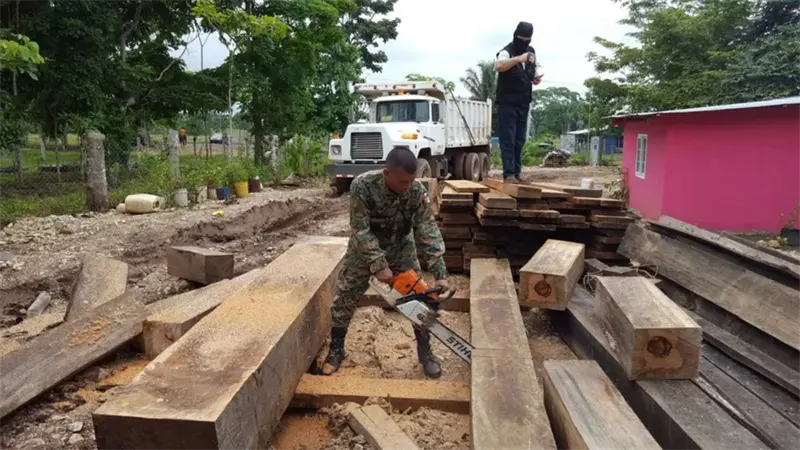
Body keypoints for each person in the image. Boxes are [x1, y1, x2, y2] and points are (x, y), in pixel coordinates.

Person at [320, 147, 451, 378]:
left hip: (402, 249)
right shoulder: (362, 186)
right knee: (345, 299)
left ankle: (425, 352)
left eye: (411, 181)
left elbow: (427, 229)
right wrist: (379, 264)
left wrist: (440, 271)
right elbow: (360, 230)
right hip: (364, 251)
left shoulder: (416, 192)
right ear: (386, 173)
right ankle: (336, 350)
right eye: (402, 181)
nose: (407, 186)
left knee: (419, 300)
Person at [495, 21, 543, 182]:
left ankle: (517, 172)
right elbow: (499, 66)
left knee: (519, 140)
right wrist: (518, 59)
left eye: (527, 40)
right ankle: (508, 173)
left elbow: (531, 70)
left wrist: (534, 78)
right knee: (507, 139)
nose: (524, 43)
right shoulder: (506, 52)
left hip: (523, 103)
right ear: (515, 36)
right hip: (507, 103)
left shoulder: (531, 52)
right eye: (521, 39)